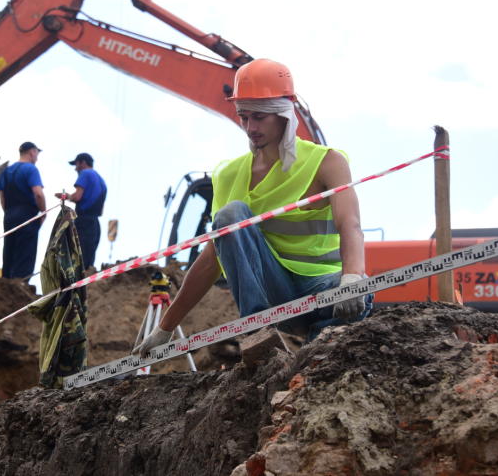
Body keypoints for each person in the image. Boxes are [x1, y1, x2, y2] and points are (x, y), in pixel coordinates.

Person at [134, 59, 373, 355]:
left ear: (284, 113)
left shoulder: (327, 162)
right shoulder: (229, 175)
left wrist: (351, 277)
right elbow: (211, 259)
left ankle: (315, 353)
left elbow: (350, 224)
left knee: (363, 289)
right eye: (244, 117)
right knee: (231, 214)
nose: (250, 127)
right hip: (275, 294)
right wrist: (165, 329)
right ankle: (258, 330)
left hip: (322, 289)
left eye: (259, 117)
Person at [0, 142, 46, 279]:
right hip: (27, 215)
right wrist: (43, 212)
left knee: (9, 251)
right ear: (32, 152)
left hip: (9, 215)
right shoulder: (31, 170)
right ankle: (20, 285)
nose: (37, 157)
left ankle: (6, 284)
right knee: (25, 253)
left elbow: (2, 198)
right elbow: (38, 193)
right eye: (37, 153)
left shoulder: (6, 172)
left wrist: (9, 213)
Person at [56, 152, 107, 269]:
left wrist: (65, 197)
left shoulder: (85, 174)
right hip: (95, 223)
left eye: (76, 164)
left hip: (83, 221)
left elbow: (77, 196)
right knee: (88, 257)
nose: (75, 169)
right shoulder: (101, 180)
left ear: (83, 163)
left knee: (78, 254)